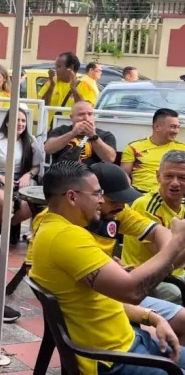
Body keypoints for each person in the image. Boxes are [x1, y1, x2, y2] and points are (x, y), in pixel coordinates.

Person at [31, 160, 185, 375]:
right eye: (96, 194)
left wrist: (152, 317)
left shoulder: (64, 229)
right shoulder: (66, 237)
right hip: (112, 359)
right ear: (72, 197)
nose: (101, 200)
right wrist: (177, 241)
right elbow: (131, 291)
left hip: (128, 338)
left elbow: (99, 299)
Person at [122, 150, 185, 304]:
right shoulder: (146, 205)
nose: (175, 183)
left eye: (182, 177)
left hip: (176, 272)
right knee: (173, 292)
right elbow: (166, 263)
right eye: (169, 176)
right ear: (158, 176)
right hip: (145, 277)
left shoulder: (182, 203)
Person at [0, 108, 42, 241]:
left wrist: (28, 175)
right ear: (7, 122)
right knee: (6, 204)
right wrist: (0, 177)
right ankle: (3, 235)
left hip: (19, 179)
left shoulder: (30, 140)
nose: (20, 124)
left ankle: (4, 228)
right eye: (17, 120)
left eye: (23, 121)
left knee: (29, 206)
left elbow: (36, 167)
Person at [121, 108, 185, 194]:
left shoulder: (182, 149)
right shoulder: (133, 147)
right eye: (173, 127)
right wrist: (130, 191)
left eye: (178, 127)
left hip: (172, 194)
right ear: (157, 127)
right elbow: (123, 174)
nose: (176, 131)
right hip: (140, 194)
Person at [44, 101, 117, 165]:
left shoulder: (105, 135)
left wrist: (93, 136)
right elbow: (48, 148)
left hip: (92, 175)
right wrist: (72, 133)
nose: (86, 118)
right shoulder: (61, 130)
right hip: (63, 174)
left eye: (90, 114)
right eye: (81, 114)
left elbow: (110, 159)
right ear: (72, 117)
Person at [39, 52, 97, 127]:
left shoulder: (86, 85)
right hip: (51, 132)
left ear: (70, 68)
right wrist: (52, 86)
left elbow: (85, 109)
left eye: (59, 66)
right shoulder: (51, 82)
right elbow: (42, 106)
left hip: (75, 132)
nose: (55, 69)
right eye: (55, 66)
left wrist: (73, 88)